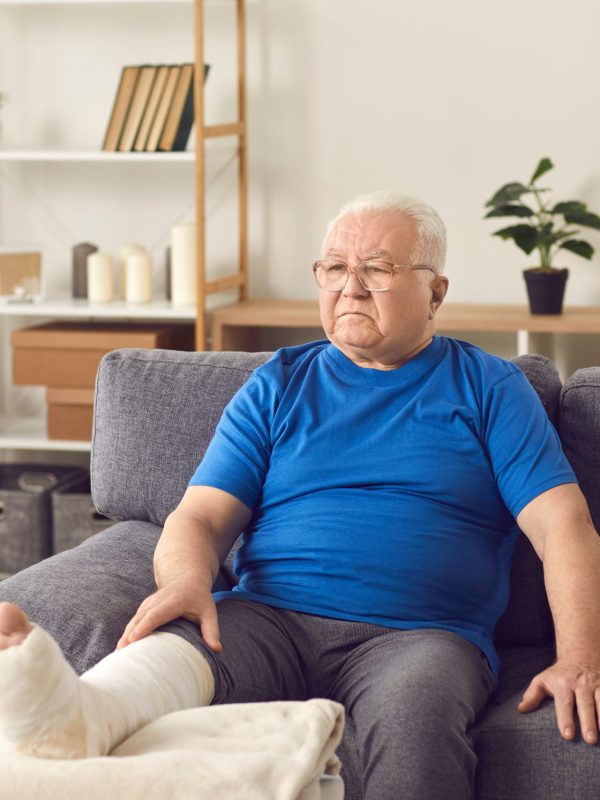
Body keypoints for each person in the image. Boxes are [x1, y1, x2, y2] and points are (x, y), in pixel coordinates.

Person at [1, 191, 600, 800]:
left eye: (378, 268)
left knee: (414, 727)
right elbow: (201, 517)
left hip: (421, 637)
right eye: (335, 267)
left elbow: (563, 527)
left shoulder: (490, 388)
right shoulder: (280, 384)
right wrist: (183, 585)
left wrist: (579, 656)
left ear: (436, 293)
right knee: (161, 664)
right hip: (269, 618)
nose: (351, 286)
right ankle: (71, 719)